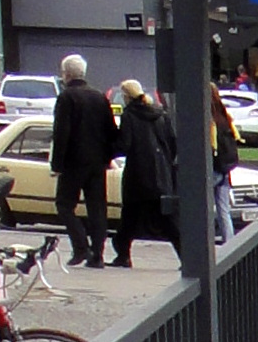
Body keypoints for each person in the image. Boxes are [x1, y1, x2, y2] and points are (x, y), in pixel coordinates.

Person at [49, 54, 116, 268]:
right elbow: (110, 130)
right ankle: (98, 254)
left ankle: (80, 247)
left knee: (65, 205)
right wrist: (108, 157)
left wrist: (56, 164)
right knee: (97, 207)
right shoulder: (99, 97)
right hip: (97, 162)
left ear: (66, 74)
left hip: (73, 162)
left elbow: (61, 133)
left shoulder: (67, 97)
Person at [112, 80, 178, 270]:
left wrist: (110, 148)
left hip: (138, 174)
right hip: (161, 173)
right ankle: (185, 256)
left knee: (130, 217)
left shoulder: (130, 116)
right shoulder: (160, 115)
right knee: (166, 218)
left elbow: (125, 144)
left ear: (126, 96)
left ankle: (123, 255)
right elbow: (172, 144)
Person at [208, 83, 241, 245]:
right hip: (225, 168)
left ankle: (204, 242)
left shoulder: (208, 118)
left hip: (212, 168)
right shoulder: (224, 116)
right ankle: (230, 244)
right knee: (223, 210)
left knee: (202, 207)